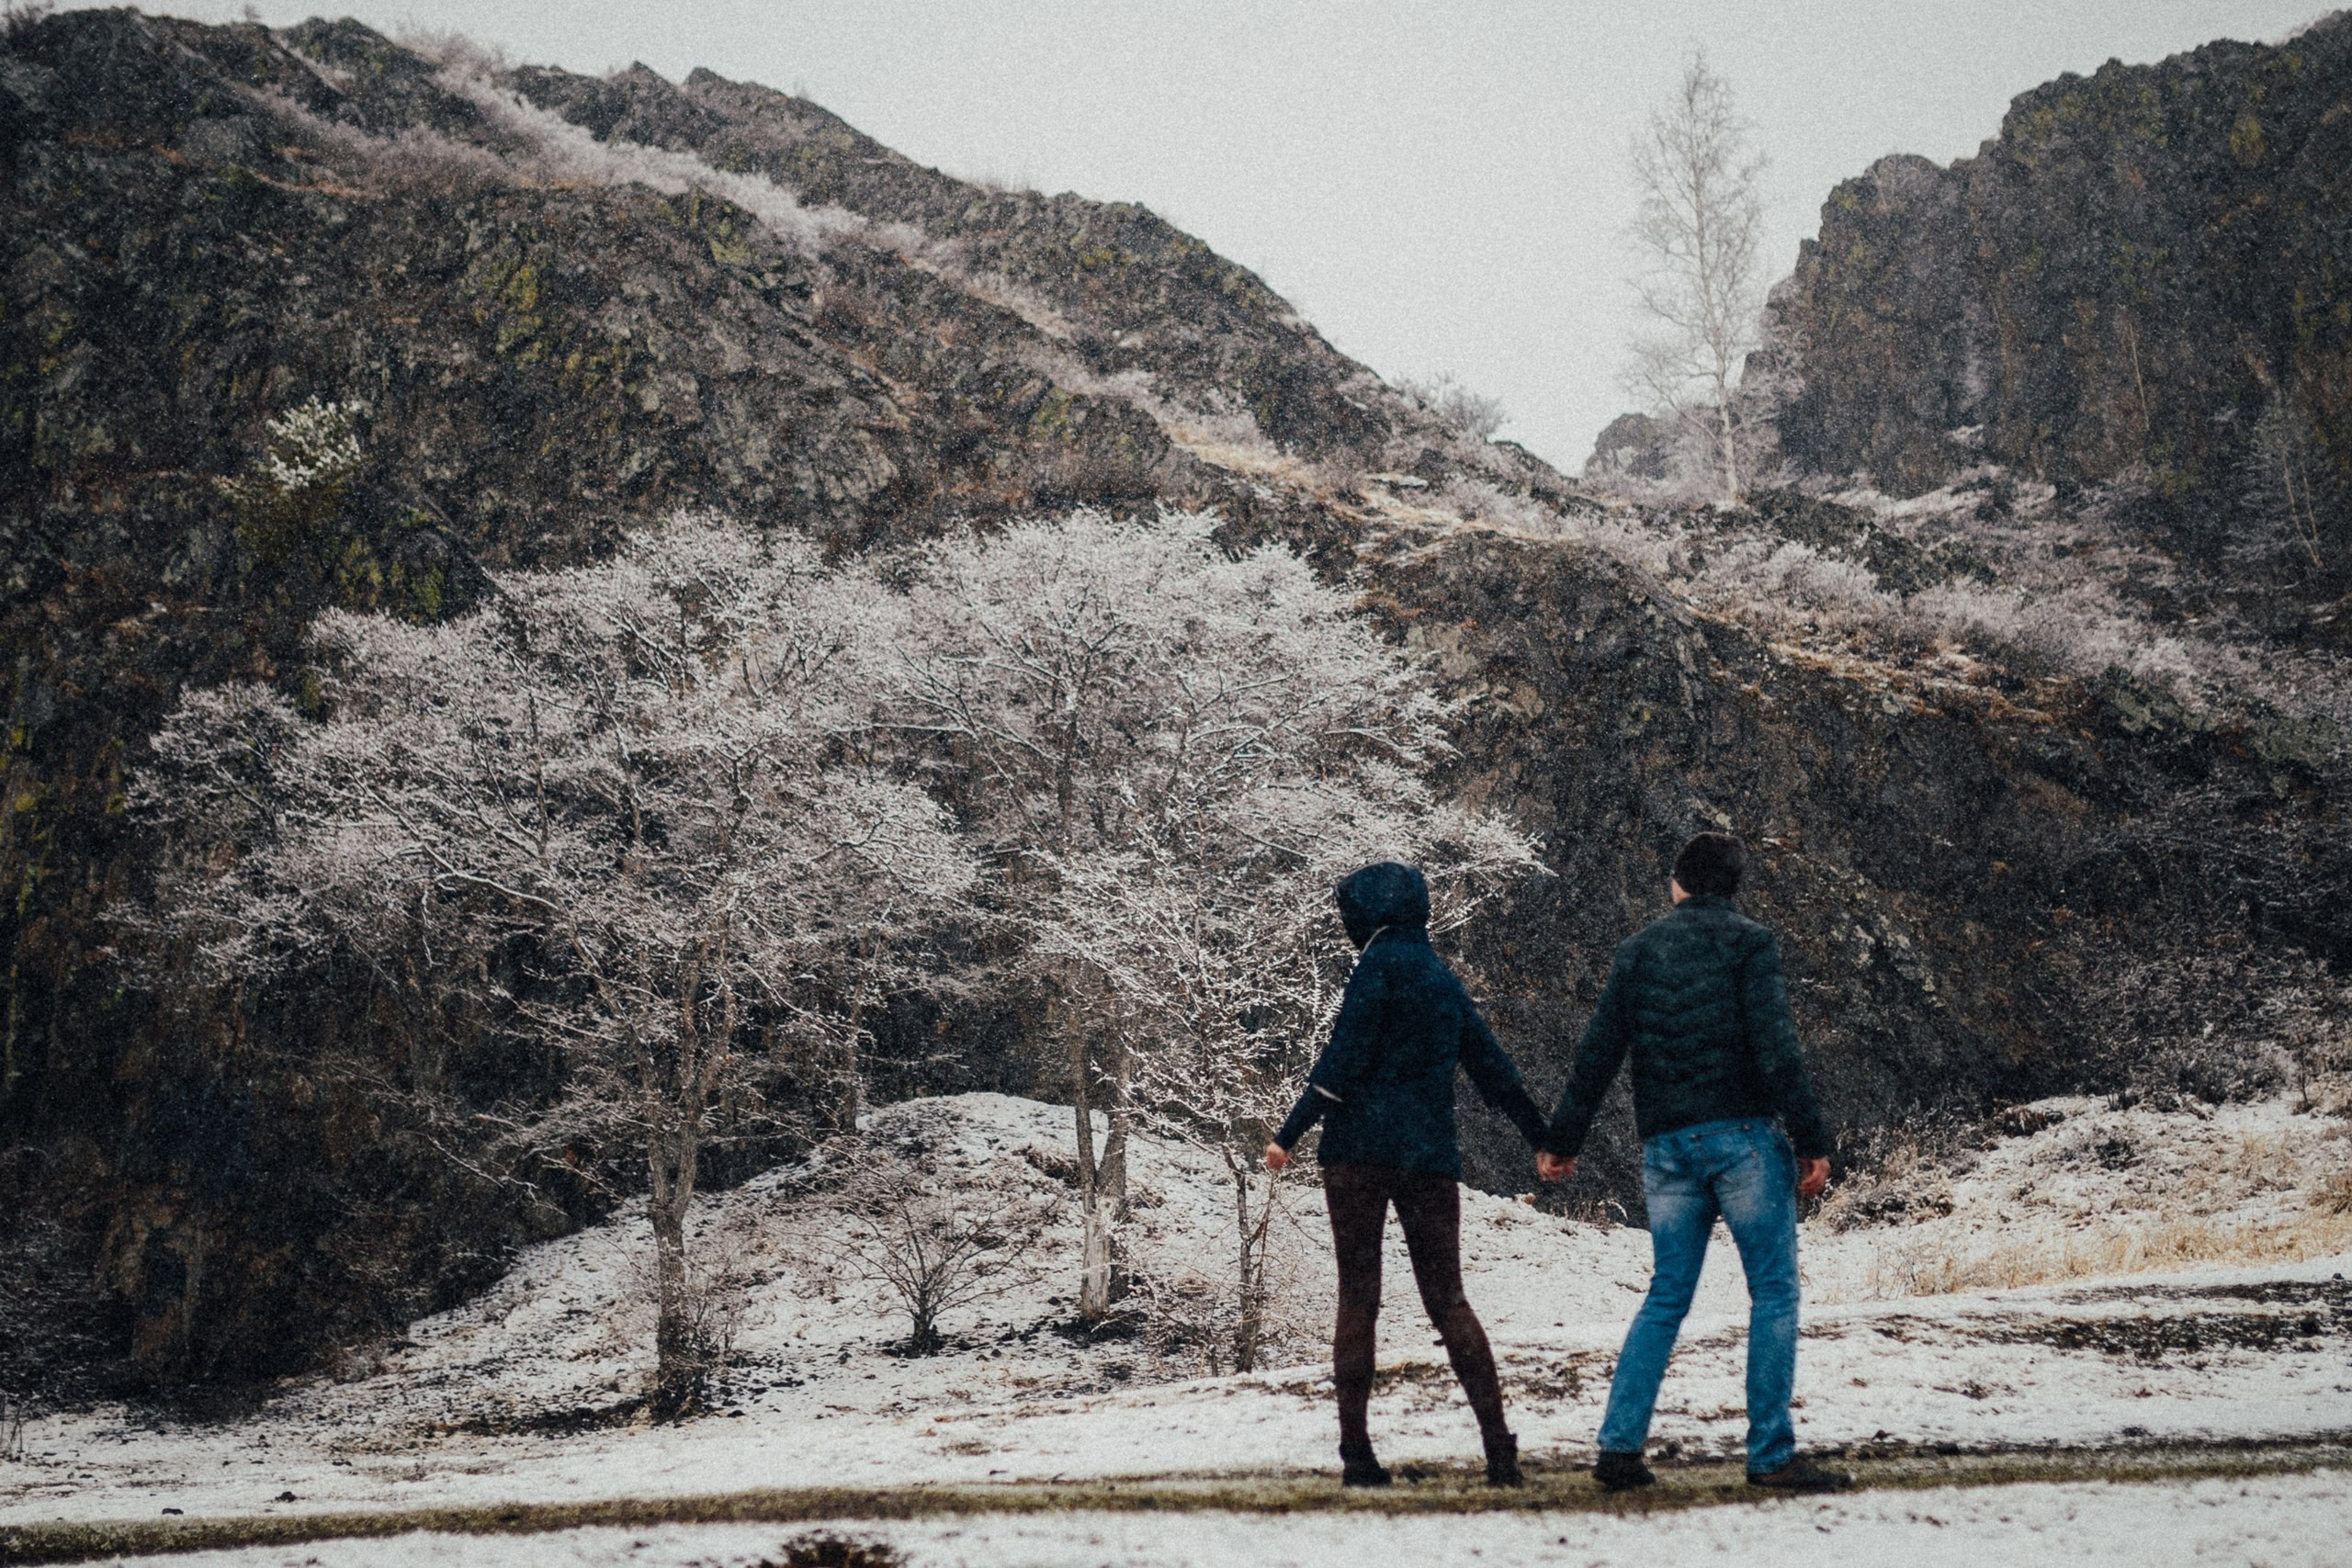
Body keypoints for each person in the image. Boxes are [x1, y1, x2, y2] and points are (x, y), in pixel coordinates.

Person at [1536, 832, 1849, 1494]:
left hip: (1666, 1145)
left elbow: (1597, 1052)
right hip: (1743, 1139)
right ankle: (1769, 1454)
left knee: (1667, 1294)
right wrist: (1813, 1138)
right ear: (1733, 885)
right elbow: (1777, 1047)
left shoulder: (1638, 951)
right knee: (1773, 1291)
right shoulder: (1750, 943)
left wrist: (1563, 1139)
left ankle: (1619, 1445)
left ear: (1678, 882)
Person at [1263, 861, 1551, 1489]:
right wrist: (1543, 1136)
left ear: (1364, 914)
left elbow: (1342, 1060)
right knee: (1448, 1299)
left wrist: (1289, 1130)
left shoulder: (1373, 969)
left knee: (1358, 1297)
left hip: (1356, 1155)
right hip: (1427, 1157)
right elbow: (1494, 1069)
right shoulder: (1442, 980)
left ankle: (1357, 1452)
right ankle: (1500, 1449)